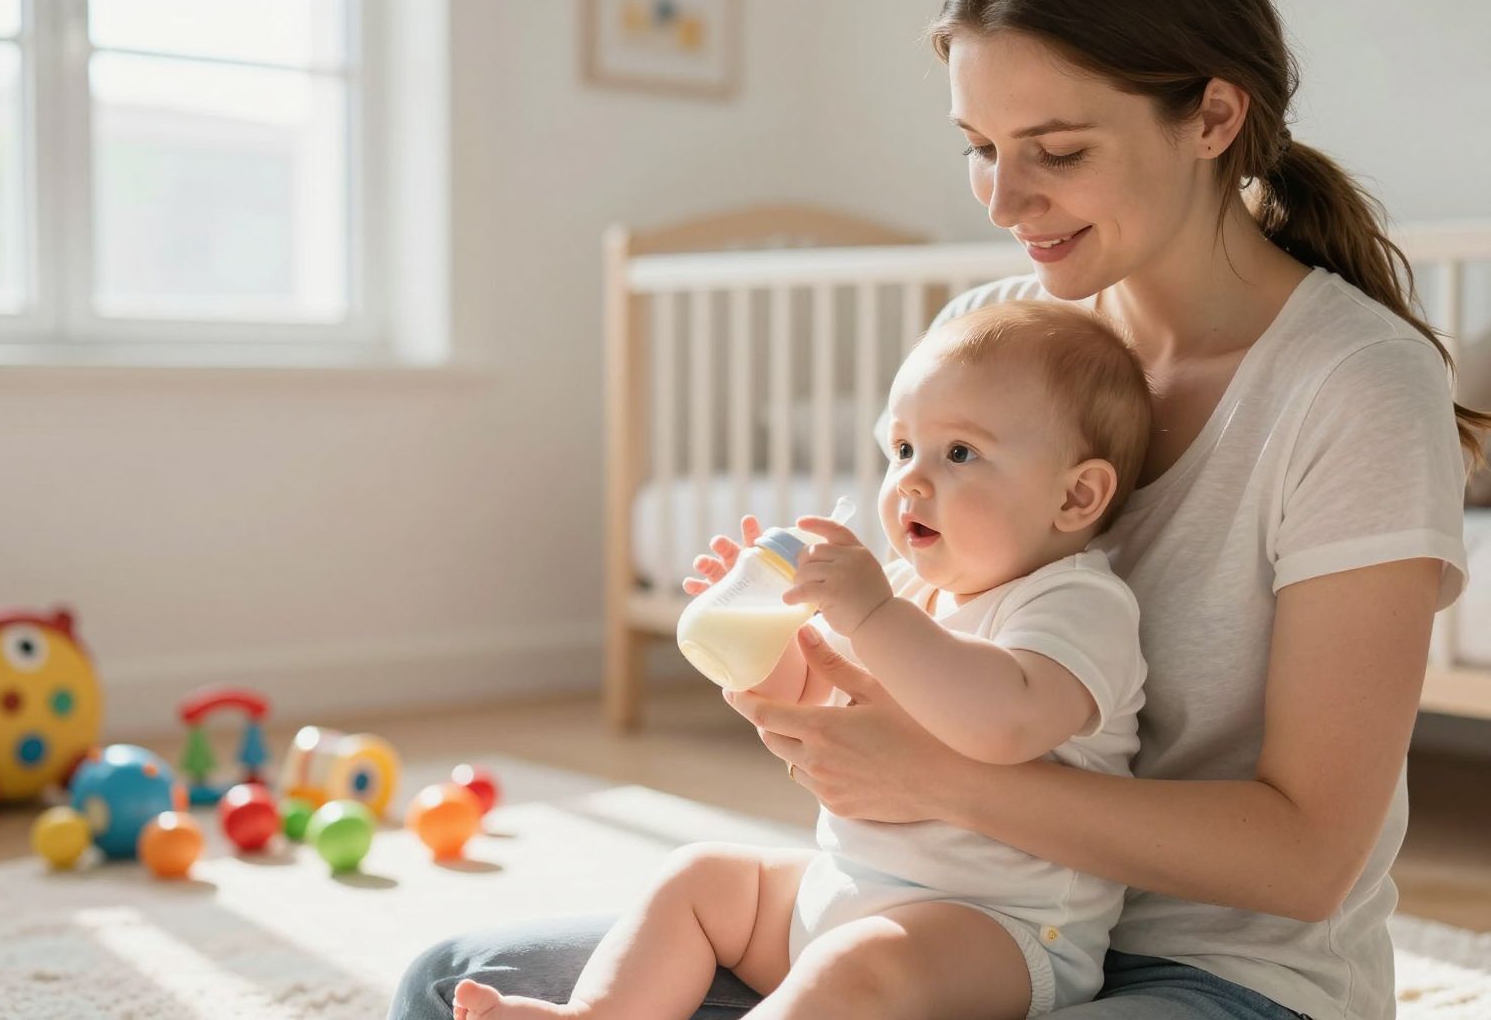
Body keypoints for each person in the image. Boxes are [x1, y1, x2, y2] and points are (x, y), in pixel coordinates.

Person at [390, 0, 1484, 1017]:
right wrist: (791, 672)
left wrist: (934, 778)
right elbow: (915, 627)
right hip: (932, 906)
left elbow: (1305, 859)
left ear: (1212, 115)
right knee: (459, 977)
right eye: (979, 148)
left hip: (1219, 968)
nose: (1006, 202)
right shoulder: (997, 328)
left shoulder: (1354, 386)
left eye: (1057, 152)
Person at [452, 301, 1154, 1020]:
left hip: (1002, 931)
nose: (911, 481)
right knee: (702, 877)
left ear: (1076, 495)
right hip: (845, 886)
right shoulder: (912, 591)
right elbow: (812, 697)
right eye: (904, 449)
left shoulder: (1076, 603)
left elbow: (1002, 723)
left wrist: (875, 615)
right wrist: (760, 635)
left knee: (851, 968)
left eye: (960, 454)